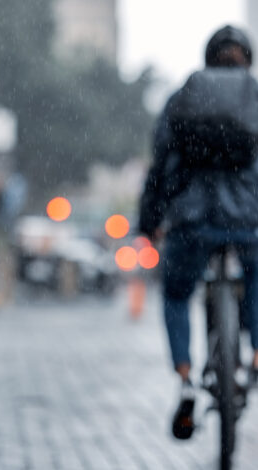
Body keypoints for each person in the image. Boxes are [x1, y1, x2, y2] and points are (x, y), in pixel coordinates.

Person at [139, 25, 258, 440]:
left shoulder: (183, 97)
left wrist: (150, 220)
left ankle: (187, 378)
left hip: (191, 221)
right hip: (249, 223)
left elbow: (160, 165)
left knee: (175, 294)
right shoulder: (256, 95)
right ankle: (255, 358)